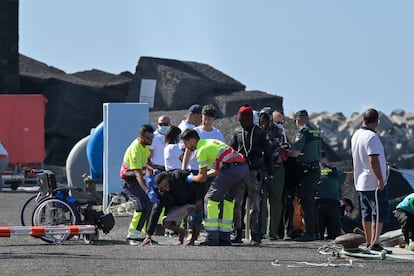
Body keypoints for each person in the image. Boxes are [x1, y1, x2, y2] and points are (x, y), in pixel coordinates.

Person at [181, 129, 248, 246]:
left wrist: (191, 178)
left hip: (230, 169)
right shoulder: (211, 142)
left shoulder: (201, 150)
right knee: (228, 201)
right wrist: (201, 175)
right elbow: (216, 170)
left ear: (192, 140)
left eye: (186, 144)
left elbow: (202, 178)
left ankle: (212, 236)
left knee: (210, 199)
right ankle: (224, 236)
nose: (186, 147)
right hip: (242, 169)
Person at [230, 105, 274, 245]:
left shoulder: (260, 133)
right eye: (239, 120)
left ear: (249, 119)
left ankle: (255, 235)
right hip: (239, 173)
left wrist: (270, 173)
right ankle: (237, 233)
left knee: (255, 205)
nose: (241, 123)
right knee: (237, 204)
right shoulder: (237, 132)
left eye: (243, 120)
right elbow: (231, 151)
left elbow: (268, 154)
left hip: (254, 173)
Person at [351, 108, 390, 252]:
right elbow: (372, 159)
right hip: (372, 182)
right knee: (378, 213)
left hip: (360, 181)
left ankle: (368, 241)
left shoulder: (356, 135)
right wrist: (380, 179)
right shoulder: (372, 137)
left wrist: (382, 163)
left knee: (366, 212)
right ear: (377, 122)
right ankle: (375, 242)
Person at [142, 170, 205, 246]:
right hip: (177, 206)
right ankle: (182, 232)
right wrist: (149, 234)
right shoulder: (161, 193)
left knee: (193, 216)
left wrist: (199, 198)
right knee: (165, 222)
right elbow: (156, 211)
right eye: (162, 187)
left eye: (165, 185)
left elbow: (198, 183)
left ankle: (193, 239)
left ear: (168, 178)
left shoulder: (178, 175)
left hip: (192, 201)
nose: (166, 188)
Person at [120, 124, 158, 245]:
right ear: (141, 136)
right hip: (129, 180)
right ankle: (132, 235)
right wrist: (147, 190)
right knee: (142, 205)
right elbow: (138, 174)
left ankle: (143, 234)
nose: (151, 141)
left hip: (135, 179)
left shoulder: (145, 146)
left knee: (149, 205)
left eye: (152, 138)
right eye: (148, 138)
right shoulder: (135, 149)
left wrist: (155, 170)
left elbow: (147, 161)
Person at [288, 110, 321, 241]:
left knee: (306, 203)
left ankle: (310, 233)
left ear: (298, 120)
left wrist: (285, 152)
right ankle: (316, 231)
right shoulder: (315, 131)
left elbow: (295, 153)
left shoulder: (303, 132)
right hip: (315, 169)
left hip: (307, 171)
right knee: (312, 202)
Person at [258, 108, 290, 240]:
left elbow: (276, 148)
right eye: (262, 117)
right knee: (261, 200)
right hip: (261, 169)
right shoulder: (257, 131)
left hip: (276, 169)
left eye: (266, 117)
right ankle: (260, 231)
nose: (264, 120)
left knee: (276, 200)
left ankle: (272, 232)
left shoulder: (278, 130)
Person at [315, 150, 347, 240]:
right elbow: (347, 176)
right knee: (334, 236)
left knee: (318, 234)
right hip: (333, 204)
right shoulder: (335, 171)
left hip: (318, 203)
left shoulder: (315, 171)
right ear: (327, 160)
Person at [179, 104, 202, 173]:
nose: (202, 119)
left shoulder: (185, 126)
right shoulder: (186, 128)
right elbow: (182, 150)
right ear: (194, 116)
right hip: (191, 167)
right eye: (201, 117)